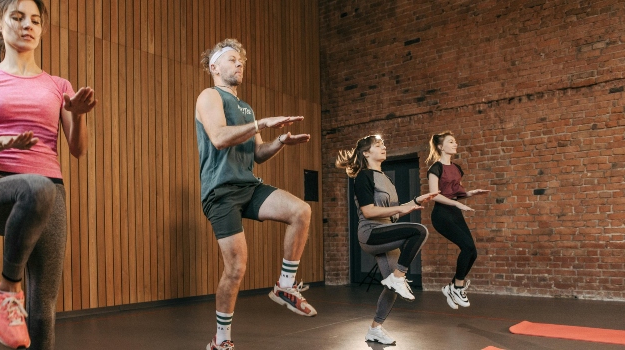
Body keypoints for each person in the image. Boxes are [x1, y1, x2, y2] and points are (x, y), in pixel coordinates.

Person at [0, 0, 96, 348]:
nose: (27, 25)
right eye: (17, 18)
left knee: (43, 311)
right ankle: (8, 287)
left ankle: (12, 306)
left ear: (41, 29)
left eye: (34, 20)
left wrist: (77, 115)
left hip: (50, 195)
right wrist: (5, 141)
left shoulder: (59, 85)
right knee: (36, 187)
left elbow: (78, 150)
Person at [195, 38, 317, 350]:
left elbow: (258, 153)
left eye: (242, 61)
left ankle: (285, 286)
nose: (239, 64)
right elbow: (219, 137)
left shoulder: (246, 108)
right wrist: (261, 123)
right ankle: (221, 339)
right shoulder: (209, 96)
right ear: (214, 67)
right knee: (236, 268)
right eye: (232, 59)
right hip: (221, 192)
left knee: (301, 211)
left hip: (248, 186)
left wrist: (280, 142)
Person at [336, 135, 437, 345]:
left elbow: (392, 214)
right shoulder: (363, 177)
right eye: (378, 145)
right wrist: (400, 208)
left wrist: (415, 201)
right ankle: (398, 277)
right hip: (371, 233)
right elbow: (369, 211)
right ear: (366, 153)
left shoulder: (386, 179)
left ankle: (375, 329)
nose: (383, 147)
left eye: (383, 144)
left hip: (386, 231)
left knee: (391, 289)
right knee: (419, 231)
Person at [426, 132, 490, 310]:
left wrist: (470, 194)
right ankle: (458, 287)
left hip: (454, 212)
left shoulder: (457, 168)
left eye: (455, 141)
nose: (455, 144)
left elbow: (454, 194)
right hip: (442, 214)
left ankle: (452, 287)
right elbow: (434, 195)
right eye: (451, 142)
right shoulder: (435, 168)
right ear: (441, 147)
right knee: (467, 247)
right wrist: (457, 204)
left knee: (472, 252)